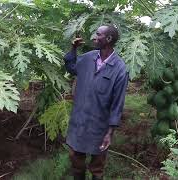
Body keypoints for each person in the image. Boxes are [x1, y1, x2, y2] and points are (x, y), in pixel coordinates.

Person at [64, 25, 129, 180]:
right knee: (76, 159)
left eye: (98, 34)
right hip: (79, 120)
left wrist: (110, 132)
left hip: (99, 126)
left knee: (97, 167)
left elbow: (117, 103)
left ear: (108, 39)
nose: (94, 37)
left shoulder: (120, 69)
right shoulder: (88, 57)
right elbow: (72, 67)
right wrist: (73, 48)